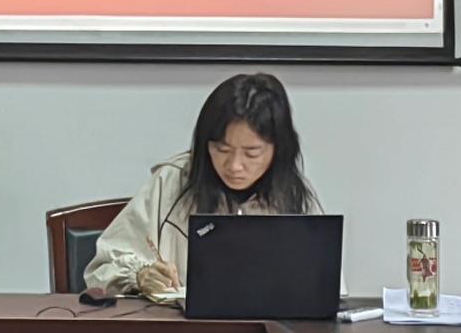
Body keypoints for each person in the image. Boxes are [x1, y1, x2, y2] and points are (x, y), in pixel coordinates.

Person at [83, 72, 316, 306]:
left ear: (278, 150)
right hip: (178, 326)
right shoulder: (172, 182)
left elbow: (322, 288)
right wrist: (139, 275)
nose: (234, 166)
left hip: (266, 327)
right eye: (222, 149)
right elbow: (100, 271)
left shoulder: (292, 197)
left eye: (251, 153)